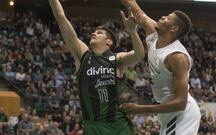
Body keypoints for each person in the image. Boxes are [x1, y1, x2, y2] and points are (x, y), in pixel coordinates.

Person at [49, 0, 145, 134]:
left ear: (109, 42)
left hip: (116, 125)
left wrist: (132, 31)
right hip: (92, 125)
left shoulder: (117, 59)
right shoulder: (82, 54)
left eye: (99, 33)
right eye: (94, 32)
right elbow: (61, 18)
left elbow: (139, 55)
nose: (94, 33)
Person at [120, 0, 201, 135]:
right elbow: (134, 7)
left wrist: (140, 109)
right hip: (167, 113)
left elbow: (181, 102)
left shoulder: (176, 57)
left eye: (168, 18)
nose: (163, 17)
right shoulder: (153, 34)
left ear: (174, 28)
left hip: (182, 113)